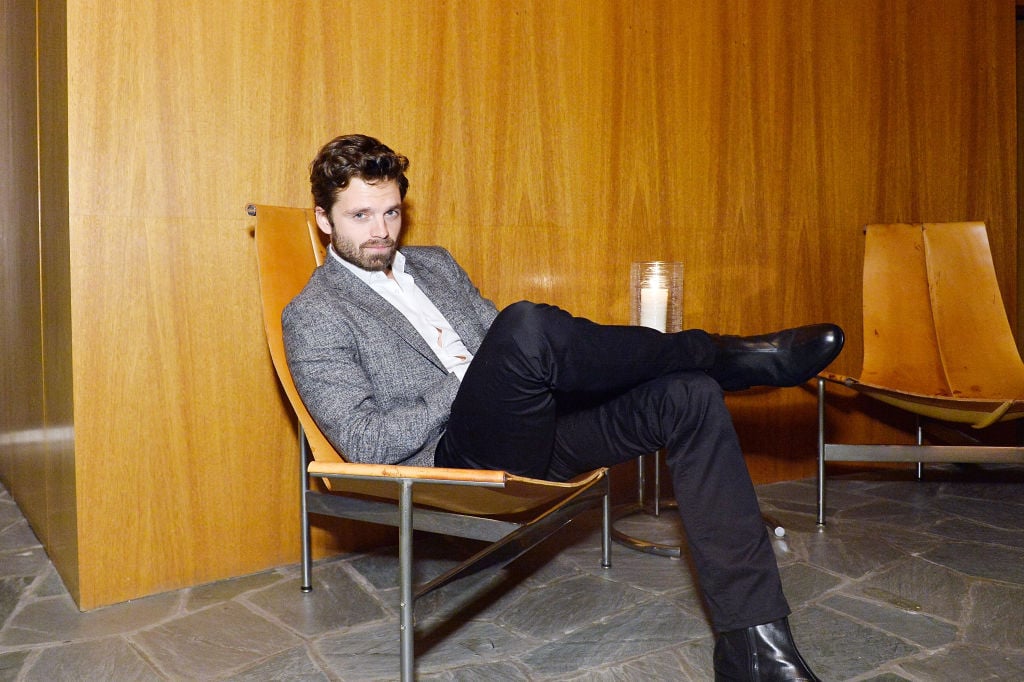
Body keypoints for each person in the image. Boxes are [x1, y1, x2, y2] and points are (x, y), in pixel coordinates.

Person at [283, 133, 843, 681]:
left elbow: (505, 353)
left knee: (688, 396)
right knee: (526, 324)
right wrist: (469, 379)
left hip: (533, 428)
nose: (382, 232)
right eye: (361, 216)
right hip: (455, 458)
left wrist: (508, 366)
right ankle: (722, 352)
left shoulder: (435, 264)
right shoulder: (315, 312)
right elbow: (363, 438)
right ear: (324, 219)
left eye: (391, 213)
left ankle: (756, 648)